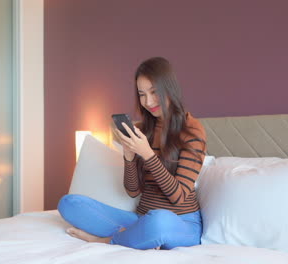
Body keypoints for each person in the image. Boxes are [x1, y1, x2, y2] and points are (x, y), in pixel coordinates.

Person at [58, 57, 207, 250]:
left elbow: (178, 196)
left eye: (154, 92)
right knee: (69, 203)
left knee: (159, 221)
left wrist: (148, 155)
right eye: (142, 94)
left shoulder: (192, 131)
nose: (148, 101)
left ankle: (106, 240)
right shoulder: (142, 129)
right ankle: (138, 236)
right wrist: (129, 157)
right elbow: (133, 190)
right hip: (141, 218)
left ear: (169, 89)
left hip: (181, 223)